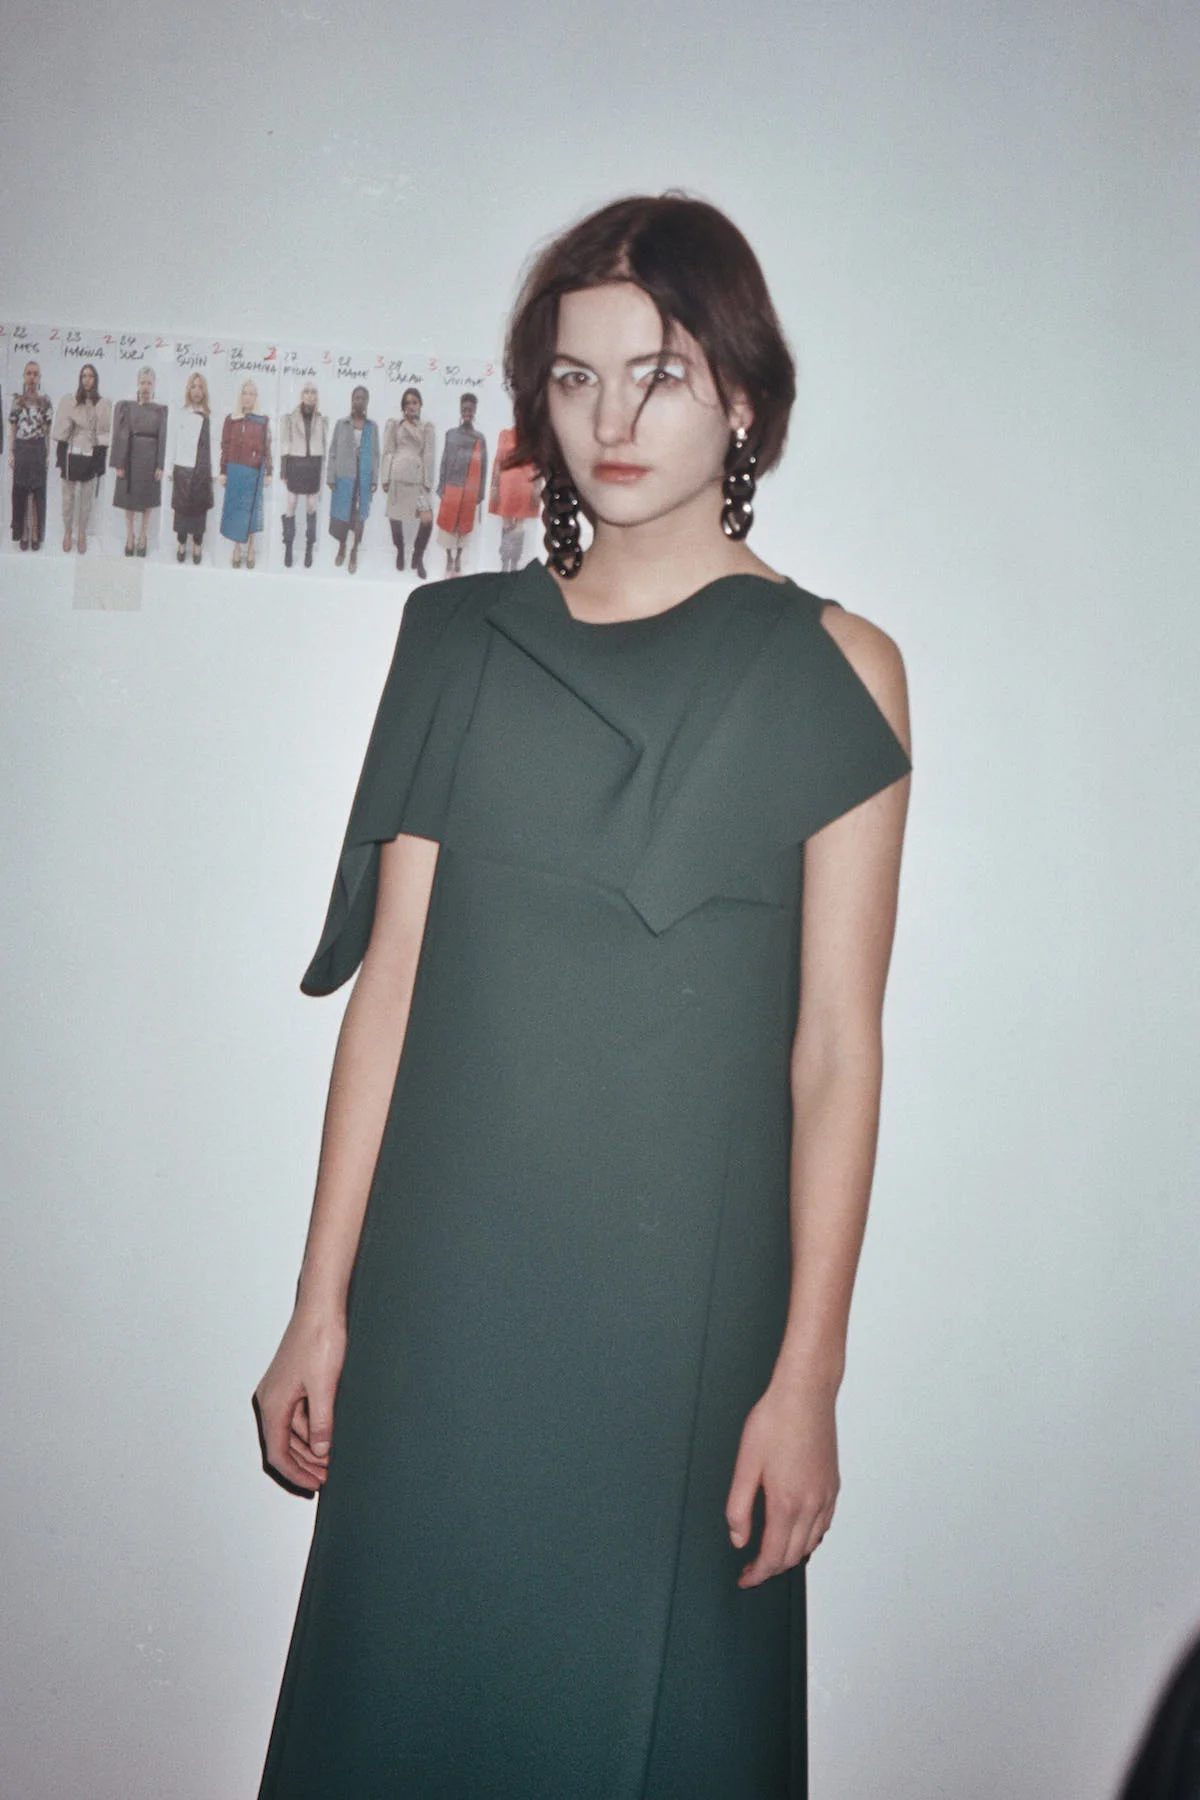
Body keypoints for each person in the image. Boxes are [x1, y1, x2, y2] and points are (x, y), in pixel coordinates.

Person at [253, 193, 912, 1799]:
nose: (610, 420)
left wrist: (810, 1378)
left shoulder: (838, 670)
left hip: (681, 1341)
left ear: (742, 396)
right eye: (573, 378)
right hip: (443, 1315)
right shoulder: (458, 643)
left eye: (659, 374)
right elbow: (391, 997)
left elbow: (837, 1053)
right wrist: (320, 1304)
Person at [53, 362, 112, 555]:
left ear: (96, 380)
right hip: (71, 454)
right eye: (84, 376)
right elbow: (62, 433)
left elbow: (103, 434)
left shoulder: (102, 405)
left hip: (90, 454)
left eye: (90, 376)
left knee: (86, 500)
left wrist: (99, 463)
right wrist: (61, 458)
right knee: (68, 499)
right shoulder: (70, 402)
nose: (87, 380)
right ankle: (67, 532)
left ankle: (82, 533)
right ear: (80, 379)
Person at [111, 366, 167, 557]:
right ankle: (130, 536)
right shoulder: (127, 407)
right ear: (137, 383)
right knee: (128, 499)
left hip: (150, 457)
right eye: (142, 382)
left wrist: (160, 465)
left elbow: (163, 438)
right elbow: (119, 435)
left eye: (149, 383)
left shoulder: (160, 411)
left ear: (154, 385)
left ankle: (143, 535)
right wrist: (119, 463)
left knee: (147, 498)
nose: (145, 387)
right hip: (130, 455)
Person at [380, 386, 435, 577]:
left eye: (415, 402)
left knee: (427, 519)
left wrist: (428, 481)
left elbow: (429, 455)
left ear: (420, 404)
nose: (411, 406)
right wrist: (385, 477)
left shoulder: (426, 428)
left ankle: (418, 555)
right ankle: (400, 549)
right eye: (407, 403)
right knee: (395, 517)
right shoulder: (395, 425)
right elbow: (388, 451)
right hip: (397, 475)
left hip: (416, 479)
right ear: (403, 407)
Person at [219, 378, 272, 569]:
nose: (247, 397)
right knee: (236, 511)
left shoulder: (262, 420)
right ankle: (236, 547)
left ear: (256, 397)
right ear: (240, 396)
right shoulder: (231, 419)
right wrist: (223, 471)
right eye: (244, 393)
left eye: (251, 393)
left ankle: (250, 548)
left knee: (250, 511)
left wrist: (269, 472)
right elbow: (225, 446)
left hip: (253, 471)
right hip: (235, 470)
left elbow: (267, 447)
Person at [326, 386, 379, 575]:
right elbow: (333, 451)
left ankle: (354, 550)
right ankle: (342, 546)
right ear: (351, 400)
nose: (359, 401)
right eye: (356, 397)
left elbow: (375, 454)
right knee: (343, 514)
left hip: (363, 478)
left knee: (359, 515)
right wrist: (331, 476)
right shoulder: (341, 424)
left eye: (363, 398)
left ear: (367, 402)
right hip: (344, 477)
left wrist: (374, 479)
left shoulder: (372, 427)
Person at [435, 388, 487, 575]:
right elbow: (444, 461)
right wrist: (441, 487)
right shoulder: (450, 434)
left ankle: (458, 558)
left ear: (475, 411)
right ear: (460, 410)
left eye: (470, 410)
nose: (467, 413)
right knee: (448, 526)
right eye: (464, 409)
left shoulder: (479, 438)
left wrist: (480, 493)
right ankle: (449, 557)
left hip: (469, 491)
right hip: (451, 487)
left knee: (463, 527)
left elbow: (484, 466)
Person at [279, 381, 328, 569]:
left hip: (313, 466)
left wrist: (322, 474)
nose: (310, 395)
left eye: (313, 392)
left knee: (311, 506)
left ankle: (309, 547)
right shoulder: (290, 418)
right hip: (296, 464)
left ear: (317, 396)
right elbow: (285, 444)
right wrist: (284, 469)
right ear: (301, 395)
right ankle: (288, 545)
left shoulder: (321, 420)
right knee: (291, 503)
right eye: (306, 391)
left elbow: (323, 448)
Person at [9, 361, 54, 551]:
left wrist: (48, 454)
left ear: (39, 377)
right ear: (24, 376)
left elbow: (48, 431)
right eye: (28, 373)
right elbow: (12, 428)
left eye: (35, 374)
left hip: (38, 448)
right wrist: (11, 452)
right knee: (21, 493)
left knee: (37, 493)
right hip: (21, 448)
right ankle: (24, 533)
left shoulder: (45, 401)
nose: (32, 377)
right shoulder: (17, 401)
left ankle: (35, 532)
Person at [170, 371, 214, 564]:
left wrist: (214, 472)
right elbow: (173, 441)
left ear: (204, 391)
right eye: (193, 387)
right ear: (189, 390)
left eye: (200, 387)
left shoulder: (209, 415)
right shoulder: (181, 413)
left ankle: (197, 544)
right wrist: (170, 468)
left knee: (199, 509)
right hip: (183, 467)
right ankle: (181, 543)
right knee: (181, 508)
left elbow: (215, 444)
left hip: (202, 469)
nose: (196, 391)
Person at [488, 419, 541, 571]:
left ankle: (515, 564)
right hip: (506, 484)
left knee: (519, 526)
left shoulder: (534, 438)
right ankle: (504, 562)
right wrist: (494, 486)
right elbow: (498, 461)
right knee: (506, 524)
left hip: (525, 485)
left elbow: (539, 465)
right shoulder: (505, 434)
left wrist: (537, 489)